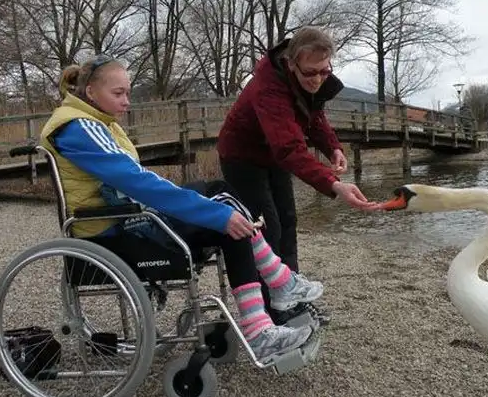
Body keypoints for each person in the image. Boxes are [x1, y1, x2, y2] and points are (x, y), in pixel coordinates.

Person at [39, 54, 323, 361]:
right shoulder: (79, 127)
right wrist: (216, 214)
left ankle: (273, 299)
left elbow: (134, 183)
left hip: (126, 219)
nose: (127, 102)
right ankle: (271, 302)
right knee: (227, 214)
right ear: (91, 92)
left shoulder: (94, 122)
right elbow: (138, 183)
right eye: (118, 93)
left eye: (128, 93)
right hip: (113, 232)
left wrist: (217, 213)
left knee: (223, 195)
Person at [216, 26, 372, 326]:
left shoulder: (309, 81)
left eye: (324, 71)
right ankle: (271, 311)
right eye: (310, 73)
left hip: (273, 156)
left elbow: (315, 116)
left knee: (288, 222)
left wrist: (333, 148)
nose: (317, 80)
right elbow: (289, 148)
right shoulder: (268, 88)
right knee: (267, 231)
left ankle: (292, 298)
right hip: (242, 158)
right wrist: (333, 184)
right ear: (291, 63)